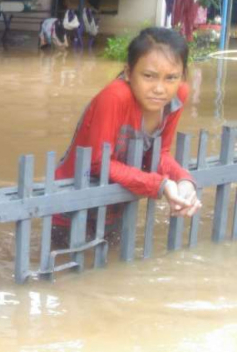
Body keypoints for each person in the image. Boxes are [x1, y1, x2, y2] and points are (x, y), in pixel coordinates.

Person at [53, 27, 202, 246]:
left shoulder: (178, 95)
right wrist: (161, 184)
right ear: (128, 72)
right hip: (72, 204)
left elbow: (160, 153)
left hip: (115, 205)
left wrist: (183, 180)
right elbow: (97, 163)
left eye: (171, 77)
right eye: (149, 76)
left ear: (182, 77)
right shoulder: (115, 96)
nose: (160, 89)